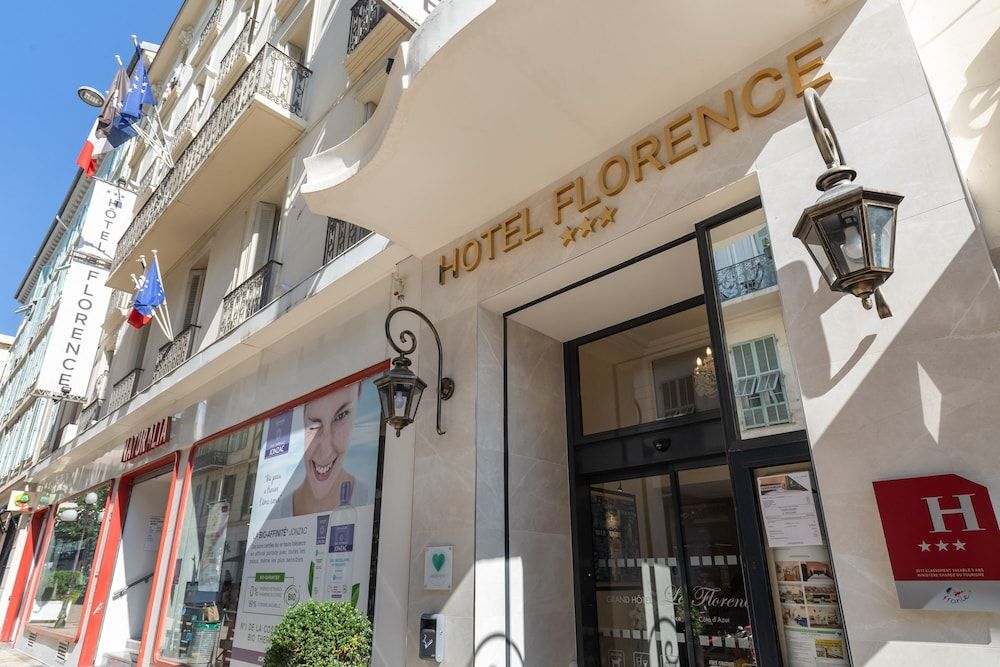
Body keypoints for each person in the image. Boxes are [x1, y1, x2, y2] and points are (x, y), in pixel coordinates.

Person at [291, 381, 365, 516]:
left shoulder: (371, 500)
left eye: (341, 416)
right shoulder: (272, 515)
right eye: (314, 425)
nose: (325, 452)